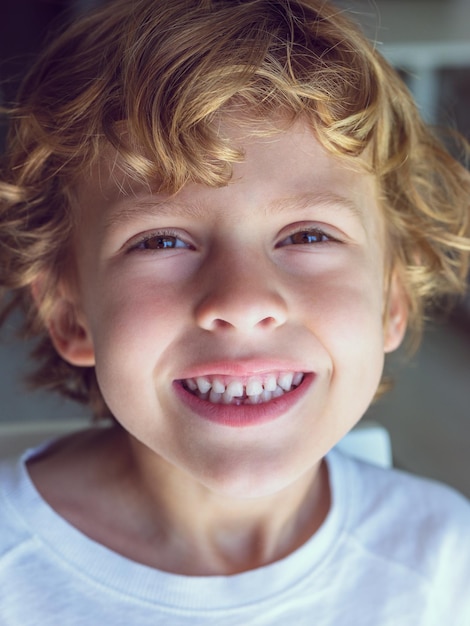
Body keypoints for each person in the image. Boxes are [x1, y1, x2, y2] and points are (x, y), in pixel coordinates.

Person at [0, 0, 469, 623]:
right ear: (69, 315)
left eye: (308, 235)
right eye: (162, 240)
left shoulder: (442, 562)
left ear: (392, 298)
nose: (243, 303)